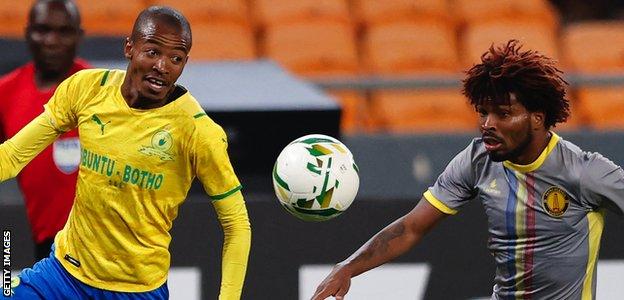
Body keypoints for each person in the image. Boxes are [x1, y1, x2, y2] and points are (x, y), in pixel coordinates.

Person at [311, 40, 624, 300]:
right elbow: (412, 228)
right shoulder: (477, 160)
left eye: (503, 114)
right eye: (483, 113)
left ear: (537, 118)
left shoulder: (584, 172)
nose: (488, 124)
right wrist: (347, 267)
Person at [1, 5, 251, 299]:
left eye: (176, 58)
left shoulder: (198, 132)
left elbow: (237, 225)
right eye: (153, 52)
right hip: (61, 276)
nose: (163, 66)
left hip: (134, 291)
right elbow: (12, 156)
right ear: (129, 48)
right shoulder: (87, 89)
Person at [0, 0, 89, 261]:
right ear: (28, 34)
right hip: (47, 248)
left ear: (79, 36)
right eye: (43, 29)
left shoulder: (99, 91)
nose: (52, 41)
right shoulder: (5, 94)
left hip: (102, 243)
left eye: (64, 31)